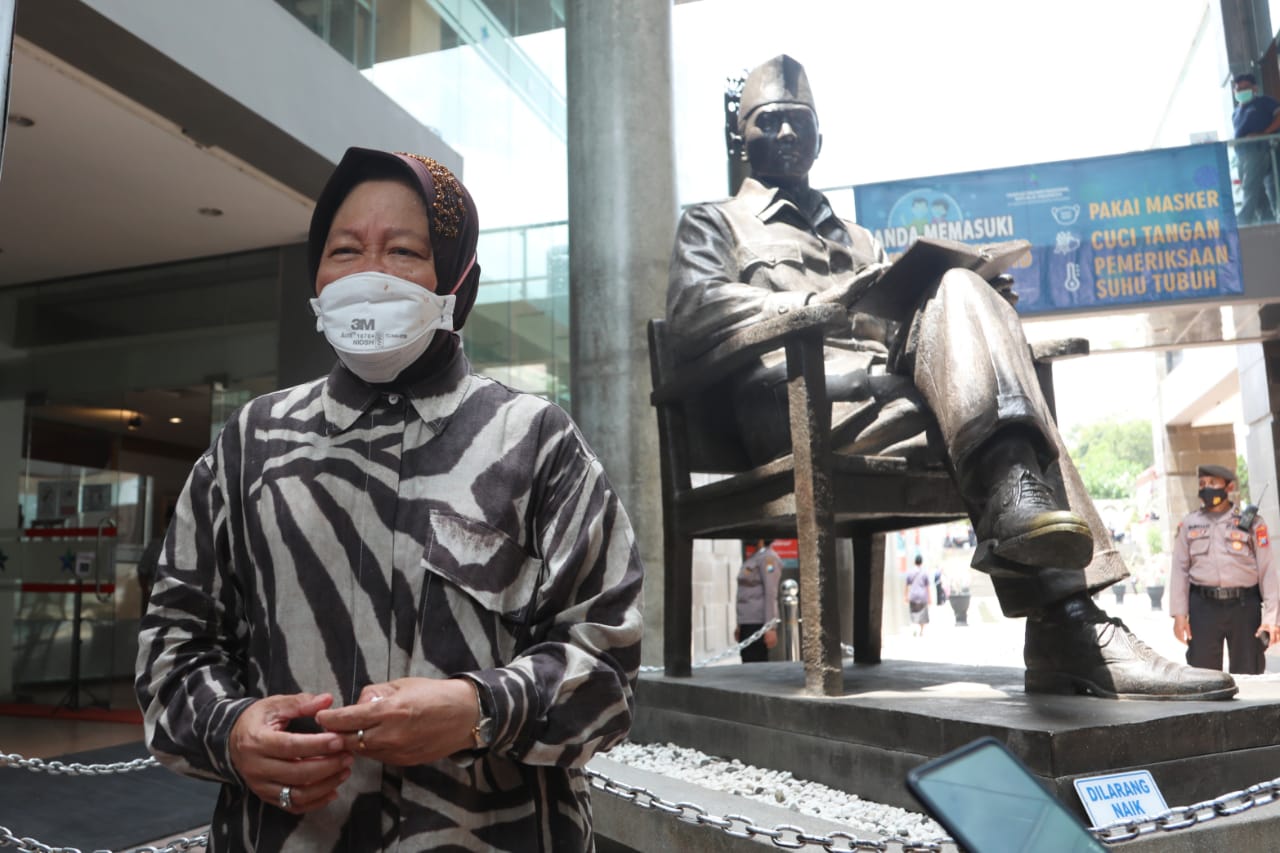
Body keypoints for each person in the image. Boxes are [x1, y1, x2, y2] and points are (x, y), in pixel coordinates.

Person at [667, 53, 1236, 701]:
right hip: (790, 409)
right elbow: (692, 312)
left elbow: (905, 325)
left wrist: (983, 309)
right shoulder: (712, 224)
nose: (788, 134)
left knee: (964, 287)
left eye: (800, 121)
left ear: (821, 138)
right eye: (771, 121)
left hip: (893, 406)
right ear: (742, 137)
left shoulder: (857, 238)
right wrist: (812, 307)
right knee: (995, 416)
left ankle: (1052, 583)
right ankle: (1067, 620)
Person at [135, 147, 644, 851]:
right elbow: (173, 643)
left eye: (402, 249)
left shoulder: (536, 442)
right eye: (344, 249)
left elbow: (609, 668)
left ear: (457, 279)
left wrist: (480, 709)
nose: (368, 274)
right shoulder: (250, 444)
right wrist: (230, 731)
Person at [1170, 464, 1278, 674]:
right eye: (1202, 484)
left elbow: (1268, 571)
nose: (1206, 488)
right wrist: (1179, 615)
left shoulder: (1251, 523)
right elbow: (1179, 571)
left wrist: (1272, 619)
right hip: (1203, 607)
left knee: (1249, 671)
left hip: (1244, 606)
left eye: (1213, 483)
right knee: (1203, 676)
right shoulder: (1190, 524)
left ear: (1229, 487)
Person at [1231, 72, 1280, 225]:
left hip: (1259, 149)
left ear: (1255, 89)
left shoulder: (1264, 102)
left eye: (1245, 88)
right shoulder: (1236, 113)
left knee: (1250, 187)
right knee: (1258, 194)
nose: (1241, 92)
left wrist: (1263, 133)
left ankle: (1244, 220)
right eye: (1238, 89)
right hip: (1242, 154)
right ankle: (1267, 220)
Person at [735, 539, 783, 661]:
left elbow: (770, 592)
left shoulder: (768, 558)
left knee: (755, 661)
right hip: (747, 621)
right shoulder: (755, 557)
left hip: (758, 622)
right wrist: (740, 624)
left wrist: (770, 627)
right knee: (747, 660)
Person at [904, 554, 932, 637]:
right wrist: (929, 598)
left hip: (913, 596)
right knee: (923, 614)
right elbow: (927, 586)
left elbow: (906, 585)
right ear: (921, 562)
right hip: (922, 596)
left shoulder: (910, 572)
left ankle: (915, 628)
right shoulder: (924, 573)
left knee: (913, 612)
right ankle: (921, 631)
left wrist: (905, 596)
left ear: (914, 562)